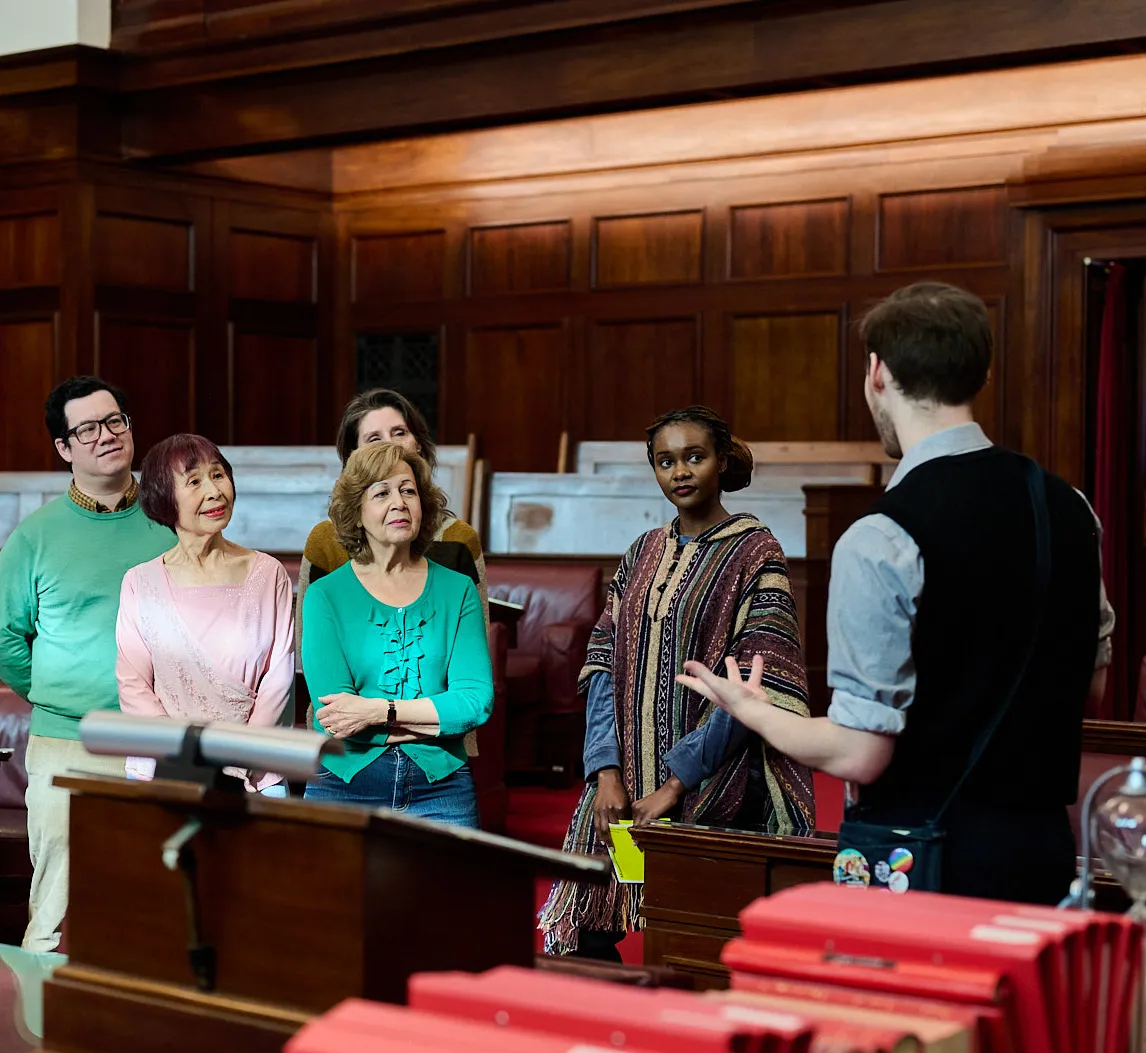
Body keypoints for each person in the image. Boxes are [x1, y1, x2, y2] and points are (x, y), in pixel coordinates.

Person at [678, 282, 1115, 907]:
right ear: (981, 372)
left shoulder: (881, 537)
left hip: (927, 861)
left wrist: (750, 709)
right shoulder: (1070, 508)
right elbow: (1090, 686)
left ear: (877, 372)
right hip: (1045, 852)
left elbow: (861, 755)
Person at [540, 406, 815, 961]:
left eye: (695, 456)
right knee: (580, 933)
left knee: (697, 943)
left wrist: (676, 784)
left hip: (716, 781)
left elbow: (755, 683)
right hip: (623, 779)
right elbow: (601, 661)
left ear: (722, 462)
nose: (680, 472)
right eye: (666, 462)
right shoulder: (641, 551)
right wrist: (606, 772)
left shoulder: (755, 550)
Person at [0, 376, 170, 950]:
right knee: (53, 915)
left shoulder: (171, 520)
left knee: (153, 909)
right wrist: (55, 692)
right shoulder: (35, 536)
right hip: (68, 742)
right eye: (88, 429)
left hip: (161, 743)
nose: (107, 436)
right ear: (64, 448)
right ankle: (39, 1033)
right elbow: (3, 637)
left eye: (115, 421)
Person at [300, 441, 493, 825]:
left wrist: (377, 711)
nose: (400, 502)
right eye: (382, 492)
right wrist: (432, 721)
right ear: (357, 511)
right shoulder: (325, 596)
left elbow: (475, 702)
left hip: (442, 787)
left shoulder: (458, 591)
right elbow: (332, 717)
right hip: (342, 783)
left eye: (408, 490)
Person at [298, 387, 487, 759]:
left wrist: (377, 713)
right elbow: (324, 690)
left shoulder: (459, 542)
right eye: (373, 439)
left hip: (442, 753)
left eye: (399, 433)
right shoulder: (325, 542)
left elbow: (472, 690)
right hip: (346, 751)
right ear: (353, 460)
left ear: (418, 442)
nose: (392, 447)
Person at [115, 434, 295, 796]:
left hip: (255, 775)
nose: (214, 491)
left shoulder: (268, 573)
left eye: (218, 475)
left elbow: (279, 680)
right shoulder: (140, 582)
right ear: (164, 498)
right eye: (194, 481)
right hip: (164, 772)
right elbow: (133, 686)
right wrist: (185, 762)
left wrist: (237, 758)